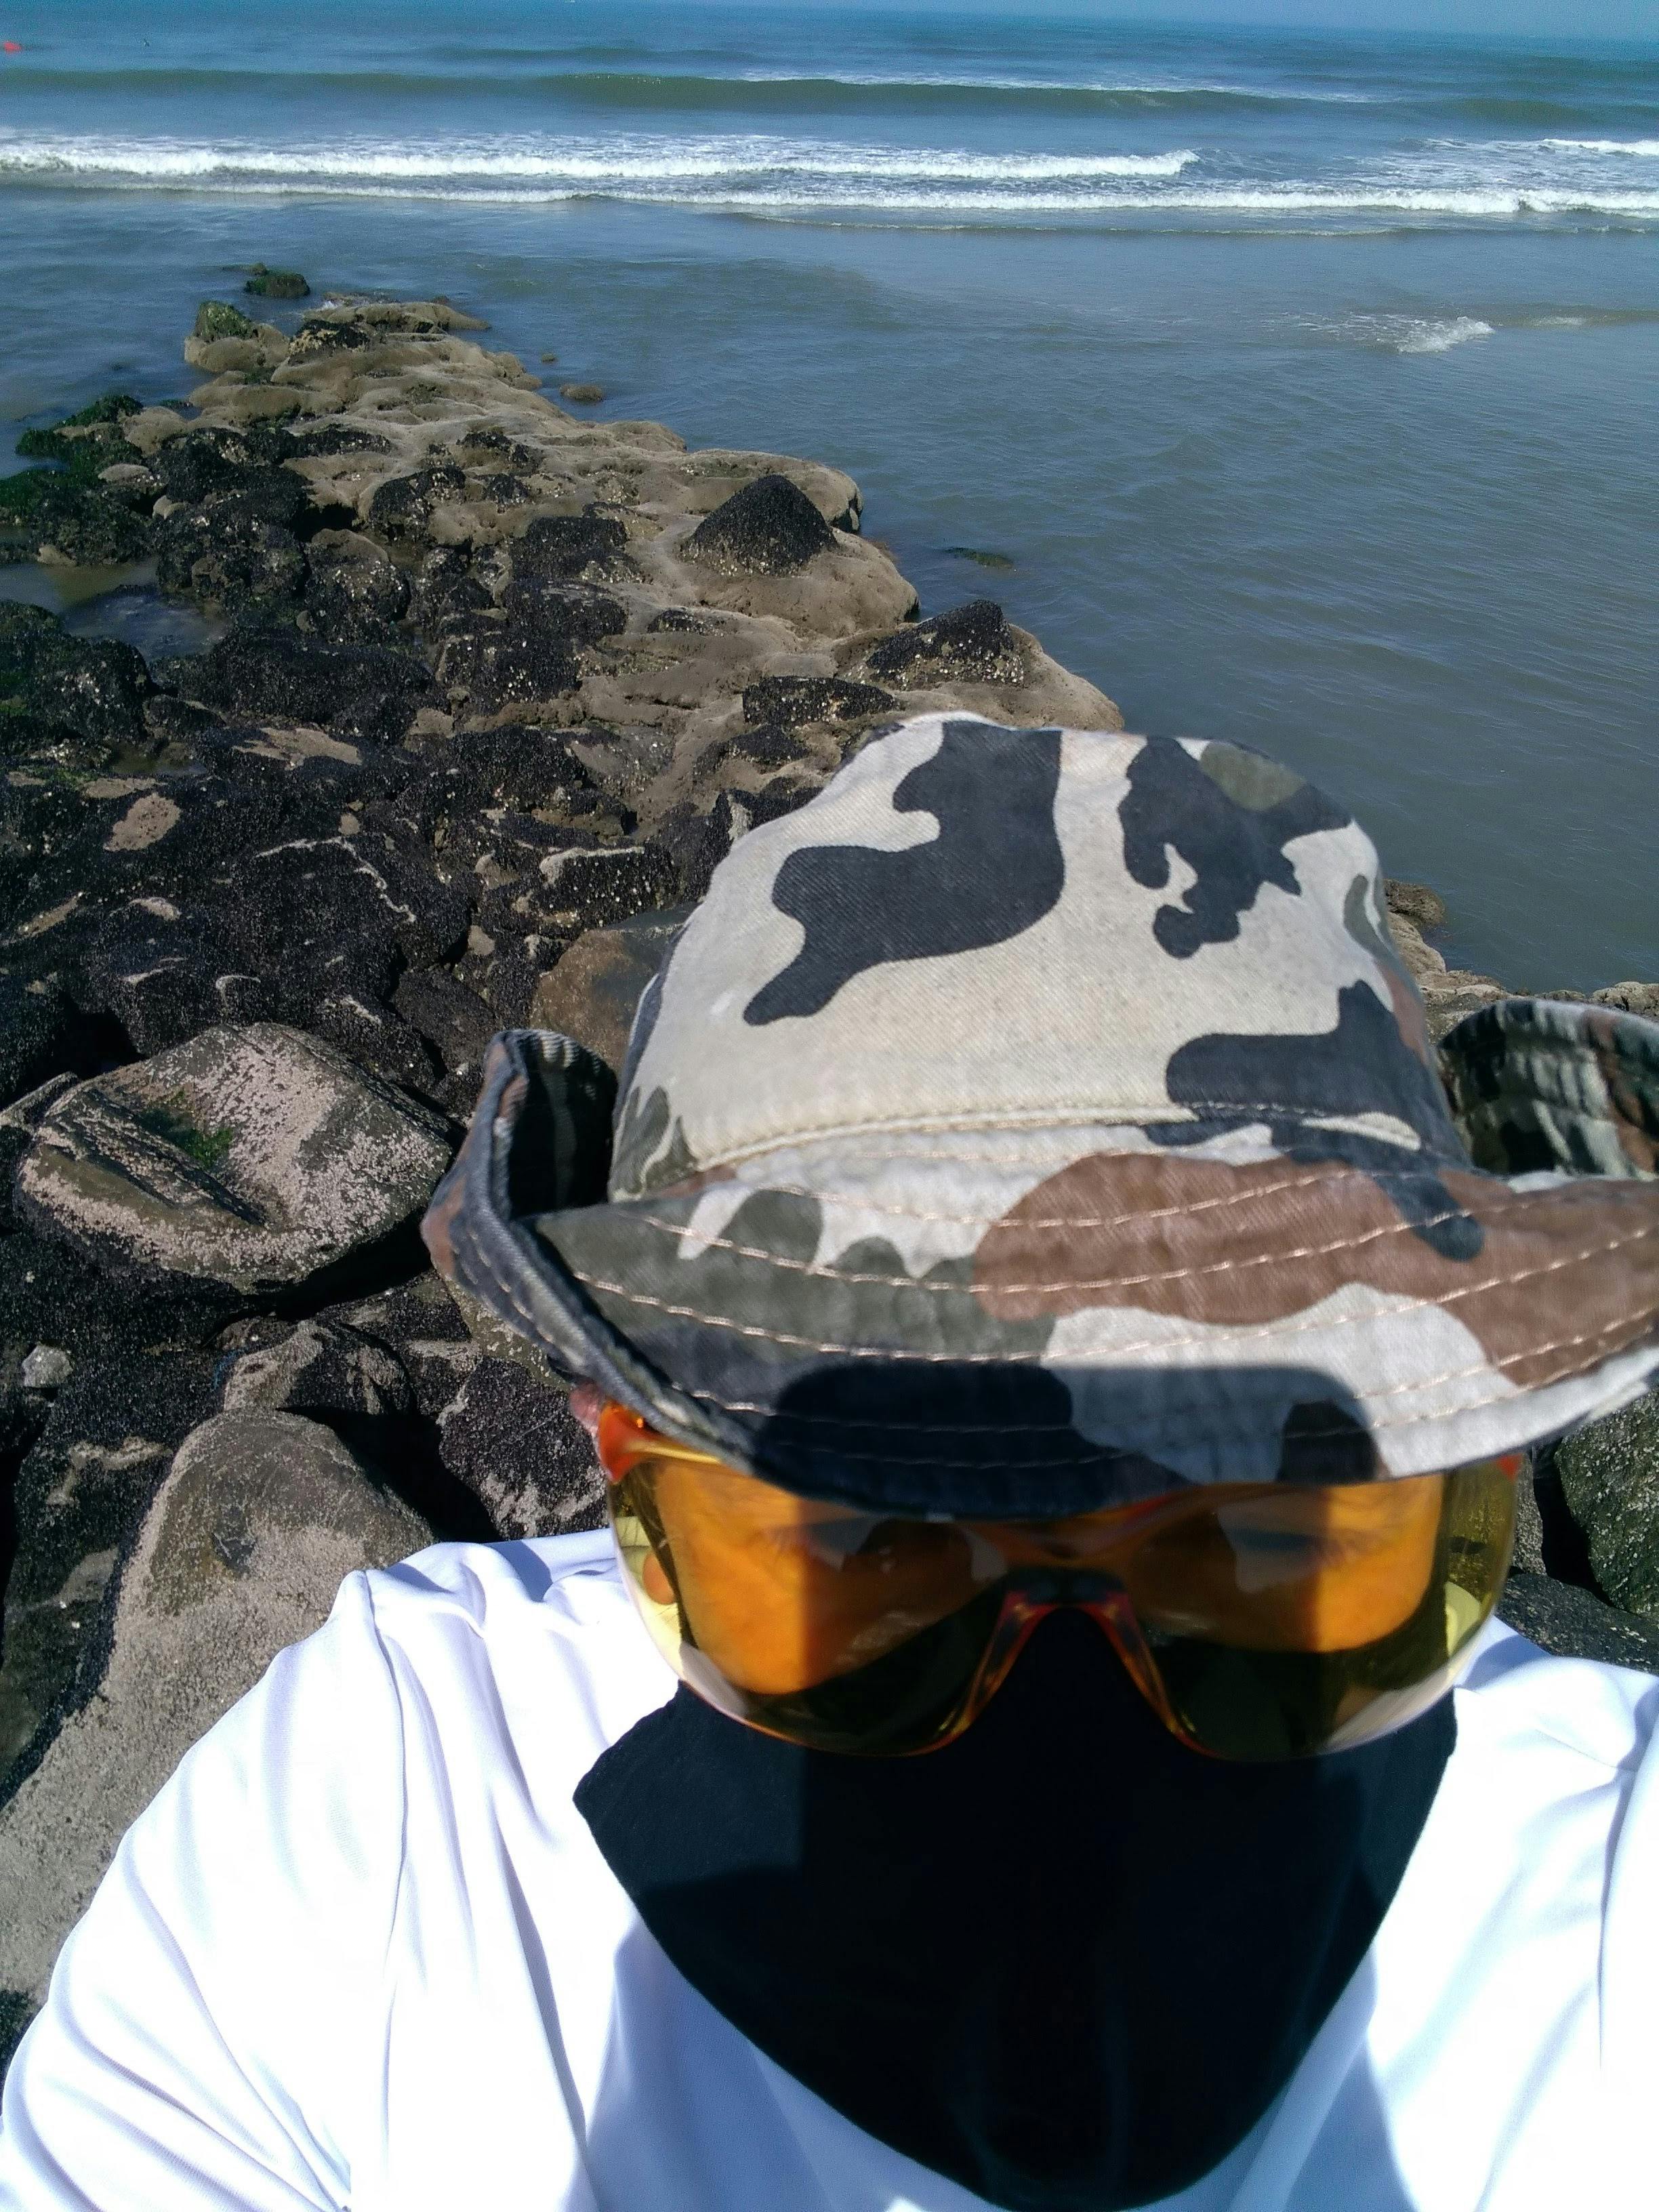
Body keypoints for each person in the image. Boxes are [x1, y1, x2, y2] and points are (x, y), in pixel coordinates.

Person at [1, 714, 1655, 2212]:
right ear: (618, 1446)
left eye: (1274, 1531)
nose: (1068, 1735)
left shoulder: (1615, 1892)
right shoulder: (386, 1797)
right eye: (874, 1526)